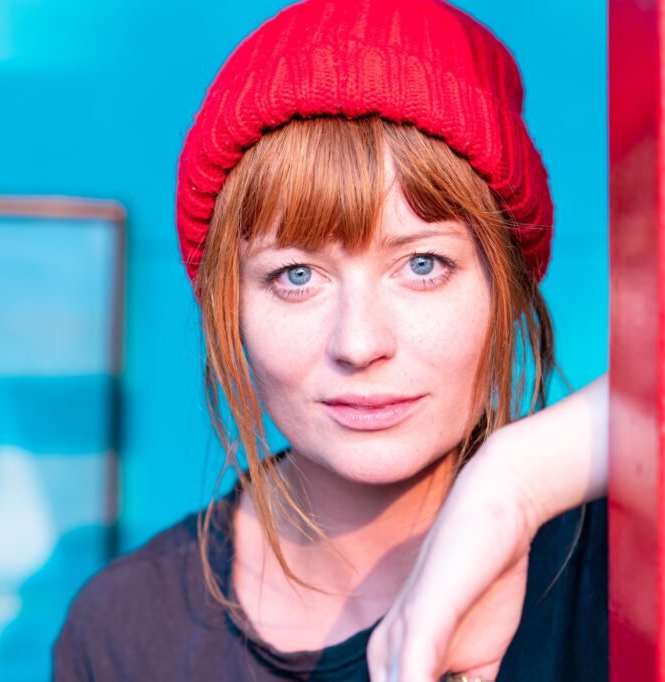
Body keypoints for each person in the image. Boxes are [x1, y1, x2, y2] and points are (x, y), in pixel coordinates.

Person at [54, 1, 609, 680]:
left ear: (508, 285)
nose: (359, 342)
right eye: (296, 276)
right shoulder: (128, 633)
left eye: (422, 265)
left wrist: (516, 481)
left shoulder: (619, 564)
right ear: (228, 305)